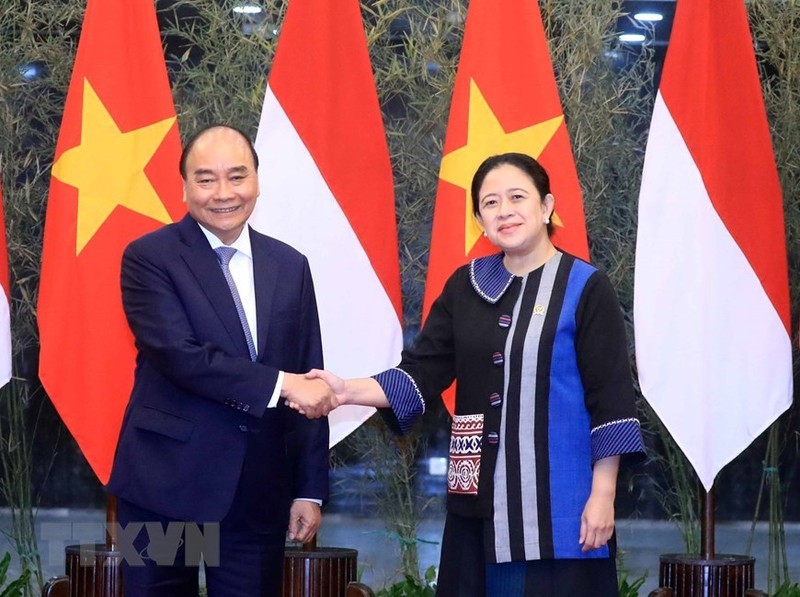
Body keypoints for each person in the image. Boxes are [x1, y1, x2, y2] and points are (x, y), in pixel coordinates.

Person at [295, 153, 646, 596]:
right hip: (476, 501)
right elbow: (421, 372)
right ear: (480, 220)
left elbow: (611, 398)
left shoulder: (585, 286)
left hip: (562, 502)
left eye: (517, 197)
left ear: (547, 205)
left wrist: (603, 494)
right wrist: (346, 391)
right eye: (490, 203)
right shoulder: (467, 285)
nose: (505, 211)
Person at [107, 124, 332, 597]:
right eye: (206, 179)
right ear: (184, 186)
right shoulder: (150, 257)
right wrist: (282, 385)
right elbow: (180, 355)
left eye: (237, 176)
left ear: (257, 181)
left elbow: (309, 372)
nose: (224, 193)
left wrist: (309, 488)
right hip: (166, 487)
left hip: (258, 492)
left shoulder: (290, 265)